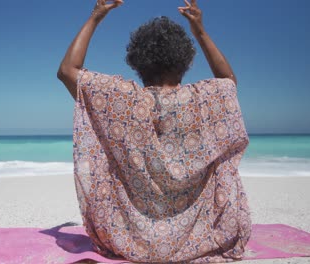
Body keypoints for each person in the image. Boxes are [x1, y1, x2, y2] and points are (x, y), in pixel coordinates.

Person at [57, 0, 252, 262]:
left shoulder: (121, 101)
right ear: (184, 60)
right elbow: (228, 81)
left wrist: (95, 17)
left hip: (129, 242)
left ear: (137, 61)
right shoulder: (202, 101)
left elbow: (67, 70)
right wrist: (200, 31)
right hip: (199, 239)